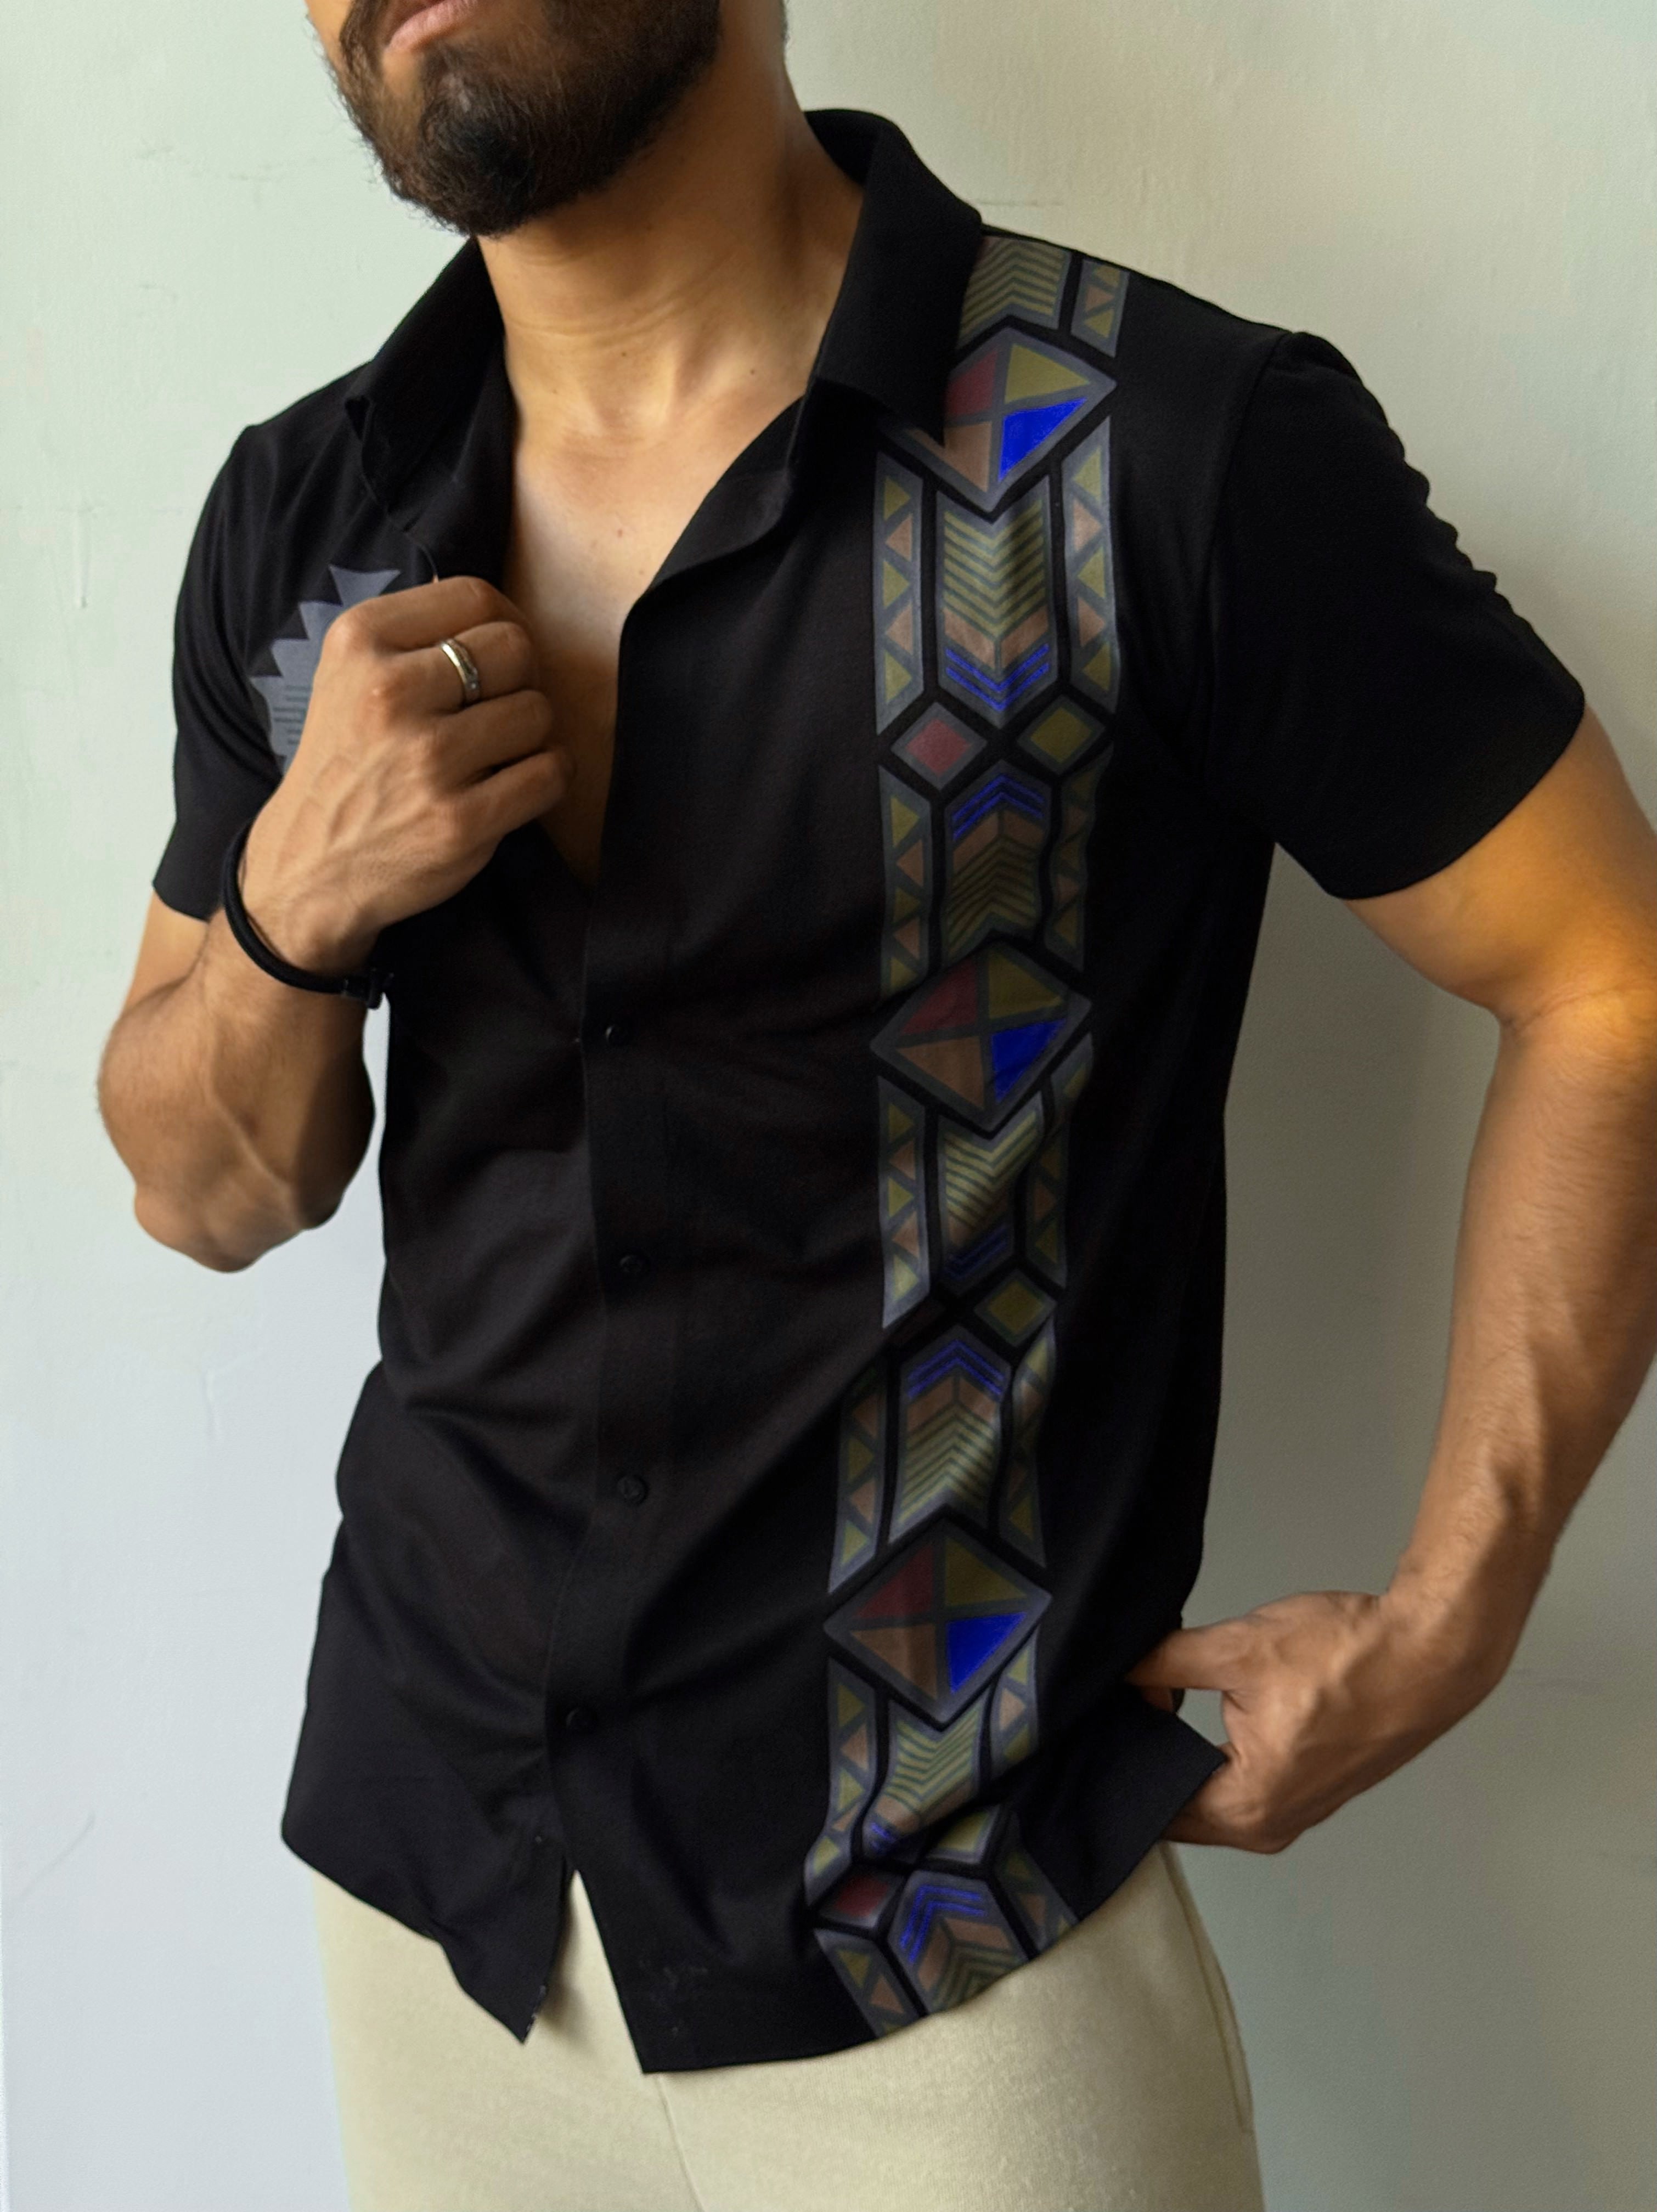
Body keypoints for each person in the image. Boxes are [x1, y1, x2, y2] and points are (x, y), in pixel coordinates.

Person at [96, 0, 1657, 2205]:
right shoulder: (315, 519)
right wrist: (288, 910)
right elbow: (203, 1187)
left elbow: (1607, 976)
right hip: (448, 1919)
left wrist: (1456, 1608)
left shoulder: (1158, 447)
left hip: (954, 1966)